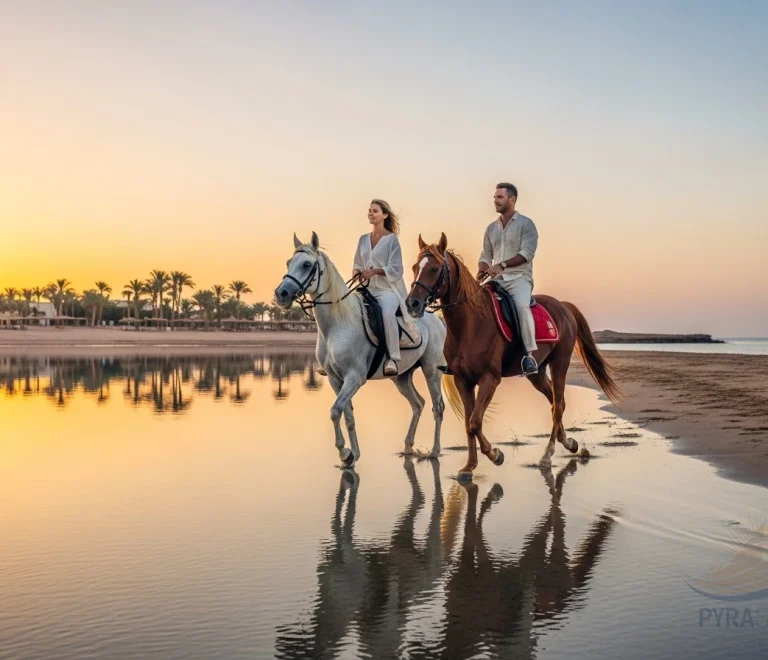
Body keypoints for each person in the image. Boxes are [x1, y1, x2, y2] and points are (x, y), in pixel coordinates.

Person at [476, 182, 540, 376]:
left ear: (512, 200)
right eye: (495, 197)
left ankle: (528, 355)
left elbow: (527, 253)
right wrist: (482, 269)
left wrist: (502, 265)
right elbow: (485, 256)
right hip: (496, 279)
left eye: (500, 197)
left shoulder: (526, 224)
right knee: (470, 303)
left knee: (521, 306)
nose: (495, 201)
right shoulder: (491, 228)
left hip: (519, 278)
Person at [353, 199, 416, 377]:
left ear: (385, 215)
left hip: (387, 291)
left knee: (387, 313)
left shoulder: (391, 240)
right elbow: (357, 262)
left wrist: (373, 272)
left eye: (375, 211)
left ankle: (392, 358)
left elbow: (397, 269)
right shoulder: (363, 239)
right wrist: (356, 272)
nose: (371, 214)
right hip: (367, 289)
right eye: (369, 211)